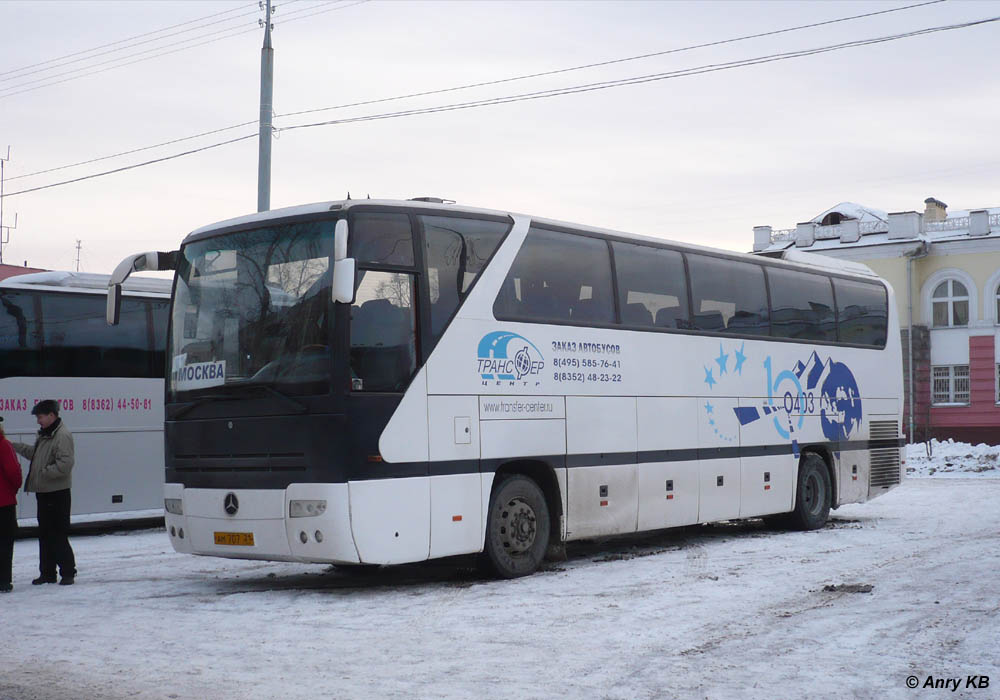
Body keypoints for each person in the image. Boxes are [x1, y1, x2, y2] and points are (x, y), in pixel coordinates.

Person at [13, 400, 76, 586]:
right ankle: (47, 573)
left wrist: (42, 474)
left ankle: (67, 572)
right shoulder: (46, 435)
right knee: (45, 533)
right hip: (45, 492)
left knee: (57, 534)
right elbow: (36, 455)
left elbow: (65, 465)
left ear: (51, 415)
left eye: (40, 417)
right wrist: (15, 447)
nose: (38, 421)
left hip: (57, 493)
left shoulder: (62, 435)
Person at [0, 416, 23, 593]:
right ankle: (3, 581)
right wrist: (13, 489)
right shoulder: (4, 445)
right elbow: (14, 472)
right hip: (4, 502)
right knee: (5, 543)